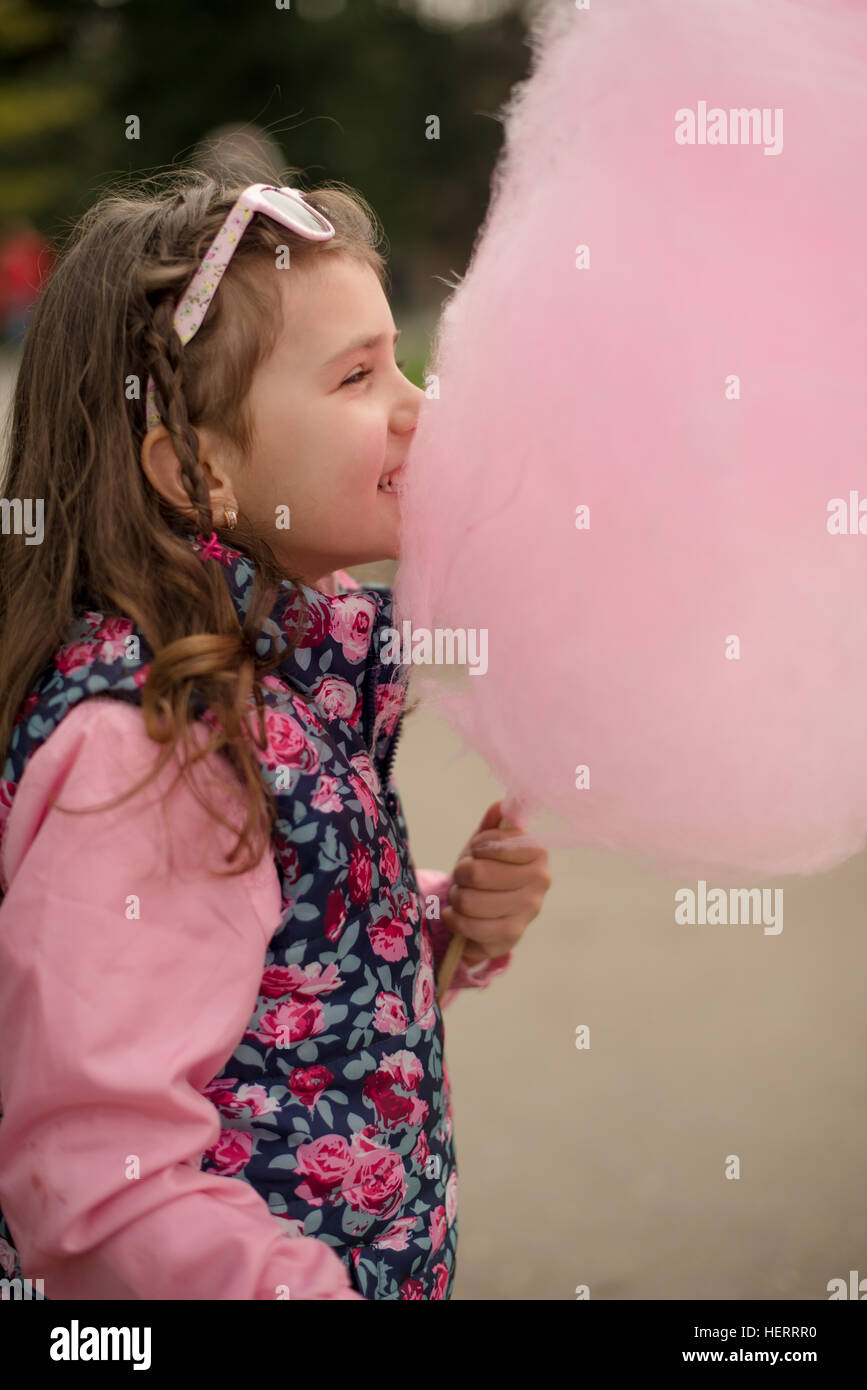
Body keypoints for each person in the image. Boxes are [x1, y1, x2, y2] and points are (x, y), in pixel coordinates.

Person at [0, 169, 551, 1301]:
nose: (418, 403)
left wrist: (432, 919)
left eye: (399, 356)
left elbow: (262, 990)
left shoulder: (301, 649)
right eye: (357, 376)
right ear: (200, 473)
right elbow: (98, 1187)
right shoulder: (154, 749)